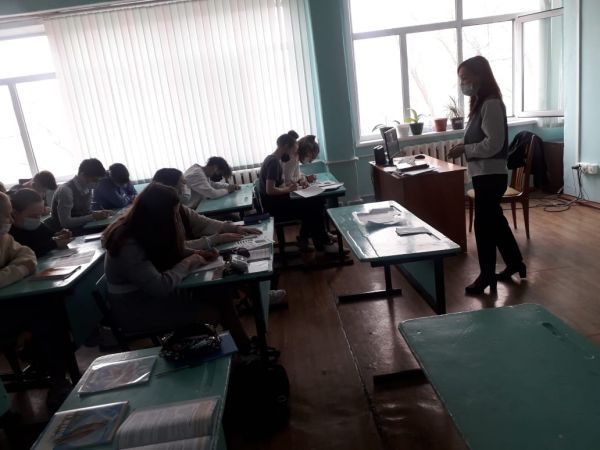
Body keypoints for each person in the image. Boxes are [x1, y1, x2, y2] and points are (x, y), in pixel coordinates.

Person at [102, 182, 252, 352]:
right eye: (173, 215)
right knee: (217, 311)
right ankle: (238, 351)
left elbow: (167, 250)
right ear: (158, 215)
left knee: (219, 292)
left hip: (147, 296)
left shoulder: (141, 227)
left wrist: (196, 253)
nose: (175, 219)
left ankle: (243, 348)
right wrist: (189, 262)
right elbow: (160, 287)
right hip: (138, 310)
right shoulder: (128, 244)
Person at [447, 55, 526, 295]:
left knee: (483, 227)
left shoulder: (491, 104)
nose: (463, 83)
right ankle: (515, 263)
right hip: (485, 175)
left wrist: (465, 149)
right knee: (496, 223)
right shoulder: (480, 104)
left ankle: (486, 275)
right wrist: (465, 147)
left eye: (465, 78)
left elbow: (494, 144)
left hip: (491, 176)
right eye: (460, 79)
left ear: (480, 76)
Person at [152, 168, 288, 306]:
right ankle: (254, 298)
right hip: (174, 268)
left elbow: (205, 222)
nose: (185, 187)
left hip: (189, 258)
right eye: (182, 183)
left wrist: (236, 228)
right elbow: (178, 247)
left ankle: (257, 296)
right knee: (224, 270)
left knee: (232, 259)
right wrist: (216, 239)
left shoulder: (180, 209)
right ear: (168, 189)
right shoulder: (157, 217)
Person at [259, 130, 337, 256]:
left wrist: (300, 181)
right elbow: (271, 190)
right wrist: (290, 188)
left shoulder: (273, 159)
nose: (294, 155)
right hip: (276, 208)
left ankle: (317, 240)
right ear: (286, 147)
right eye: (294, 151)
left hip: (276, 203)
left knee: (315, 203)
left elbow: (288, 180)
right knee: (314, 206)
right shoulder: (274, 162)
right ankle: (321, 243)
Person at [47, 158, 112, 235]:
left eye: (99, 181)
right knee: (108, 232)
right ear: (82, 175)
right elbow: (65, 223)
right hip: (66, 233)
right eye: (95, 180)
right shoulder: (66, 190)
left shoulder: (87, 188)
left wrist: (99, 214)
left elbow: (85, 213)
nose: (97, 184)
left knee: (112, 228)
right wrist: (93, 217)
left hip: (81, 227)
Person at [9, 189, 73, 257]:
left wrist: (60, 235)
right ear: (15, 213)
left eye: (40, 215)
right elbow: (26, 253)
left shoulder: (39, 225)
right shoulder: (8, 234)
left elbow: (50, 235)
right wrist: (54, 244)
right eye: (33, 216)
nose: (37, 219)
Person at [0, 191, 37, 288]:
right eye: (7, 216)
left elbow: (27, 253)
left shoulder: (5, 238)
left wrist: (7, 272)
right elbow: (26, 266)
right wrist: (21, 270)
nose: (12, 220)